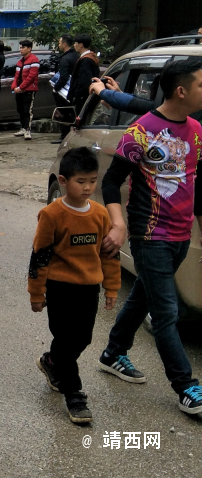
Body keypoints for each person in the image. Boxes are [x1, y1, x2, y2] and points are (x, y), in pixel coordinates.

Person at [98, 58, 202, 416]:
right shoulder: (141, 132)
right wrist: (118, 223)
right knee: (166, 311)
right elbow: (111, 181)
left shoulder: (196, 131)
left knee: (144, 296)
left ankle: (113, 353)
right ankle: (187, 386)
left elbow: (195, 184)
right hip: (150, 234)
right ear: (182, 90)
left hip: (181, 234)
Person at [29, 147, 121, 424]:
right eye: (81, 181)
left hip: (88, 288)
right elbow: (40, 256)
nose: (88, 187)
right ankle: (74, 394)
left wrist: (112, 288)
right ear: (63, 180)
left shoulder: (100, 214)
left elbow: (109, 255)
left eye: (92, 181)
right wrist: (37, 292)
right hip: (59, 288)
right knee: (66, 337)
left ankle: (52, 362)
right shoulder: (51, 214)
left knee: (82, 339)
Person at [51, 35, 79, 144]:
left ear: (64, 44)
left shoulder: (65, 59)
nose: (58, 45)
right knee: (71, 113)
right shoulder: (76, 56)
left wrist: (56, 88)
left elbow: (64, 76)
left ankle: (64, 137)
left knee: (63, 112)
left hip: (65, 92)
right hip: (74, 90)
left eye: (59, 42)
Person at [12, 39, 40, 141]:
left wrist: (21, 87)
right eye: (20, 47)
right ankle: (23, 127)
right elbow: (16, 76)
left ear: (29, 48)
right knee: (20, 109)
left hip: (29, 90)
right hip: (19, 90)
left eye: (23, 47)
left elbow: (31, 77)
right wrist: (14, 87)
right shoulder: (20, 62)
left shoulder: (34, 60)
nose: (21, 49)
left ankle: (28, 129)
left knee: (27, 110)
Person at [70, 34, 101, 121]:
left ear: (81, 45)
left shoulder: (85, 60)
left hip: (83, 97)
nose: (74, 45)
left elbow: (85, 80)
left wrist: (77, 95)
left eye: (75, 43)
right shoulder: (91, 57)